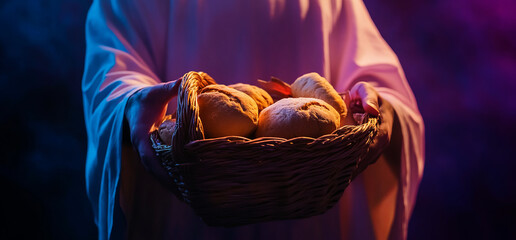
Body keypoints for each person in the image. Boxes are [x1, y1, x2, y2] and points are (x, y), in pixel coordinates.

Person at [82, 0, 425, 239]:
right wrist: (130, 105)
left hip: (312, 213)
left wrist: (379, 107)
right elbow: (113, 71)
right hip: (186, 212)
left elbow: (377, 86)